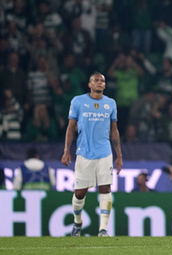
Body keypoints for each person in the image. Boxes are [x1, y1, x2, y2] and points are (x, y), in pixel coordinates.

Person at [61, 72, 123, 237]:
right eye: (96, 80)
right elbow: (70, 127)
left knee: (105, 188)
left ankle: (102, 230)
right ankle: (77, 222)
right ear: (89, 84)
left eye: (102, 80)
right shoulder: (78, 101)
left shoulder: (110, 103)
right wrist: (67, 150)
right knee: (80, 192)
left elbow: (114, 130)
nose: (100, 83)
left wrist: (119, 155)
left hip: (104, 152)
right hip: (84, 152)